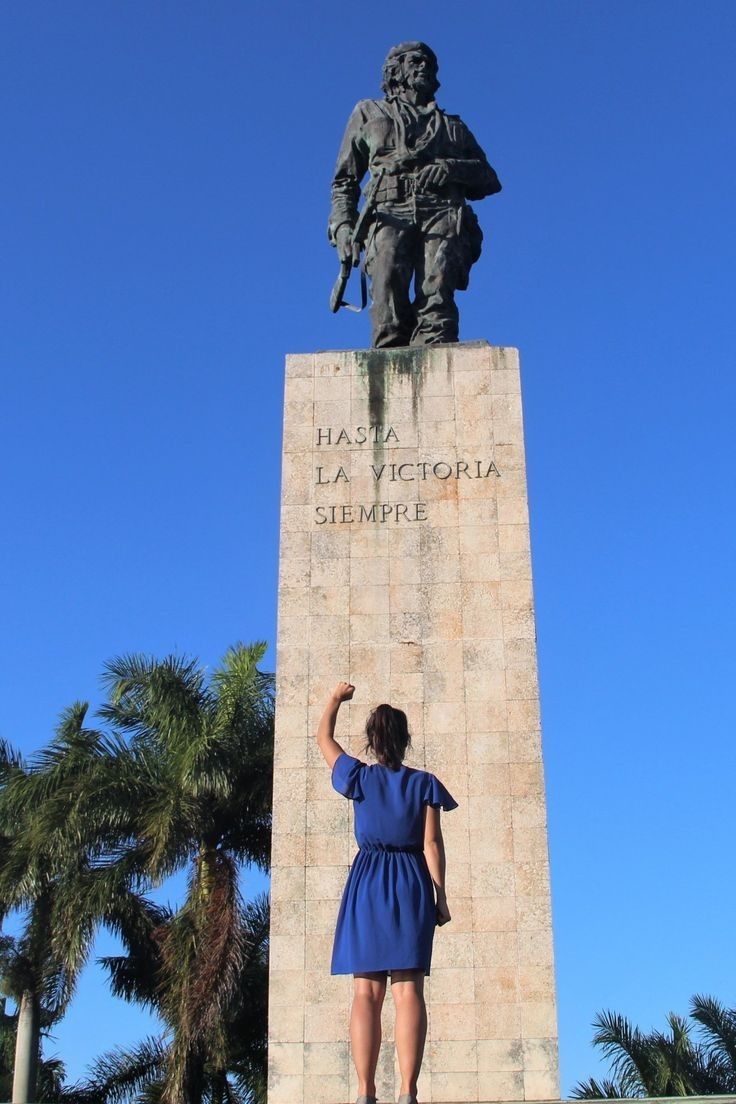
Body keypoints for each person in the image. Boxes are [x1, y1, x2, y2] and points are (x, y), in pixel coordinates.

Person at [316, 681, 459, 1104]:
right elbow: (432, 844)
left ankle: (364, 1092)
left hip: (368, 882)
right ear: (406, 739)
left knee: (366, 990)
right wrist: (441, 896)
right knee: (409, 989)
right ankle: (409, 1092)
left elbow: (323, 738)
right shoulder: (424, 783)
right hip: (411, 878)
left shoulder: (358, 777)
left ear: (373, 741)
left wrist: (334, 700)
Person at [328, 41, 501, 348]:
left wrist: (451, 169)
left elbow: (488, 178)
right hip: (388, 211)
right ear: (396, 71)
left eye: (429, 64)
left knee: (438, 304)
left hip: (441, 212)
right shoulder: (368, 112)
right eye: (415, 62)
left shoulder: (452, 126)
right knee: (387, 304)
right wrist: (342, 228)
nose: (424, 68)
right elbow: (345, 181)